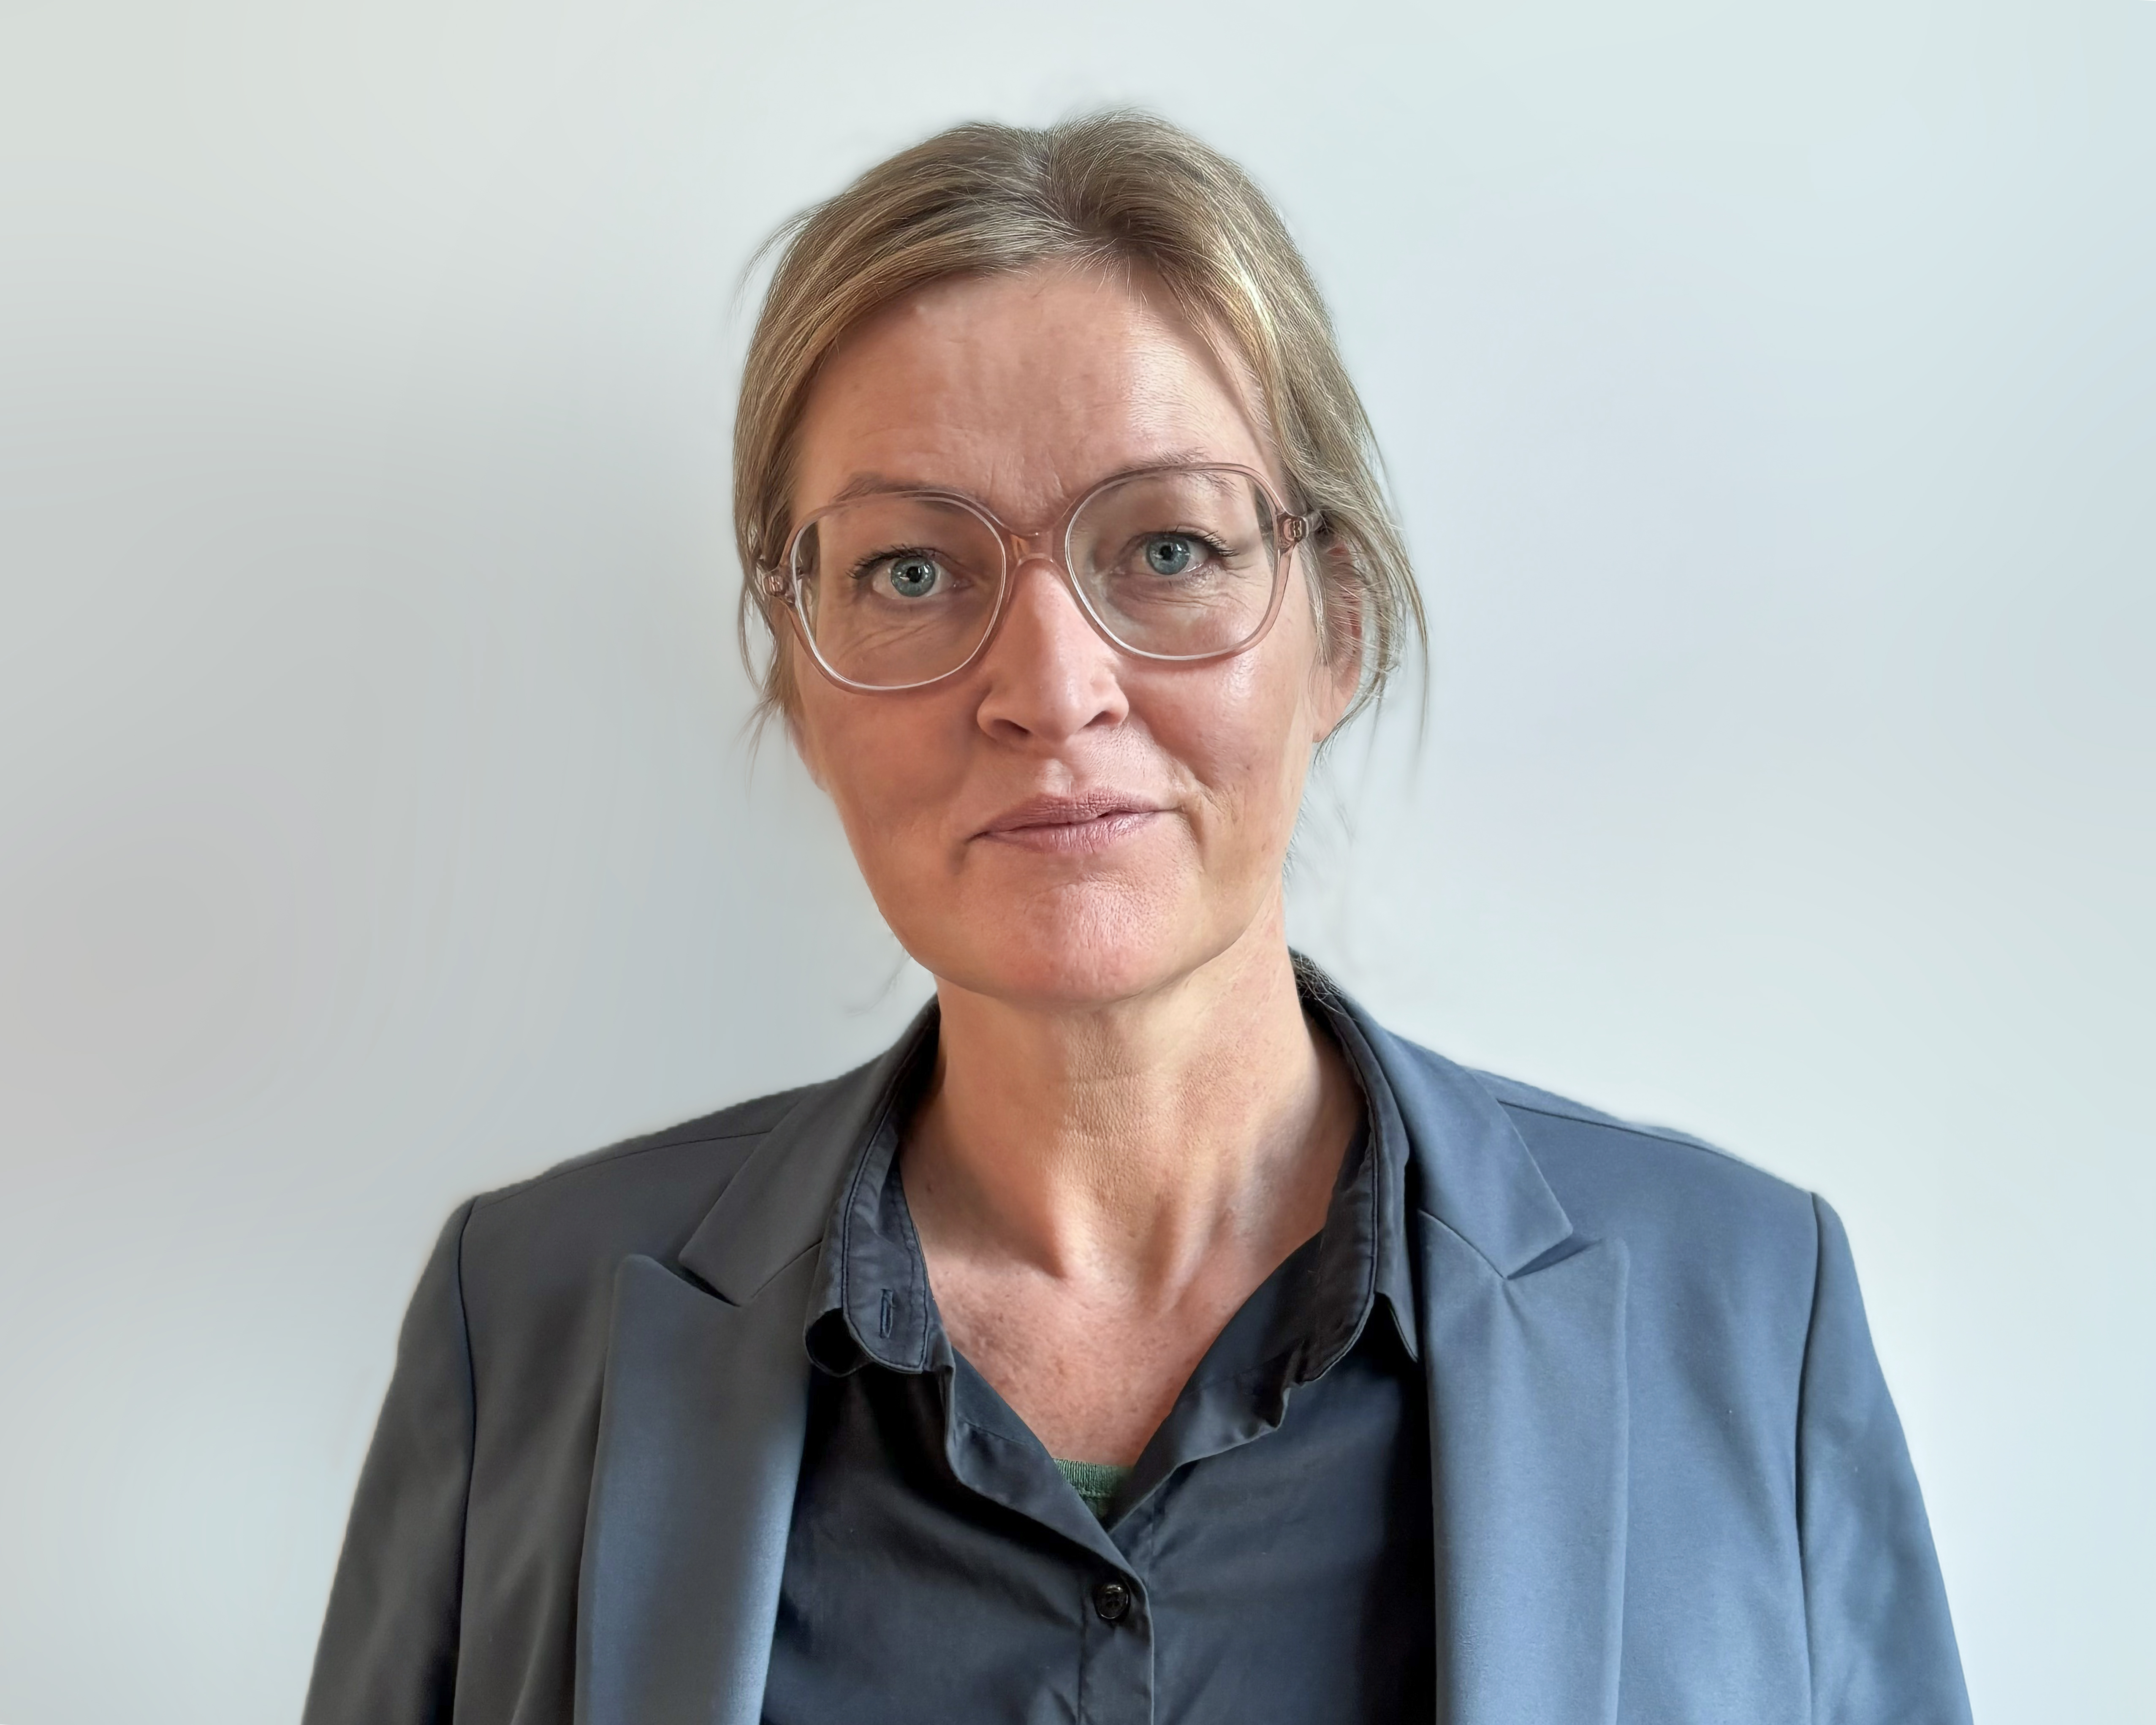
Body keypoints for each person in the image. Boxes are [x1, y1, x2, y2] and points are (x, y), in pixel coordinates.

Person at [303, 114, 1971, 1725]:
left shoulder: (1743, 1316)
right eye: (908, 571)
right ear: (798, 678)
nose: (1049, 687)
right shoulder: (529, 1328)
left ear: (1337, 628)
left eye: (1167, 546)